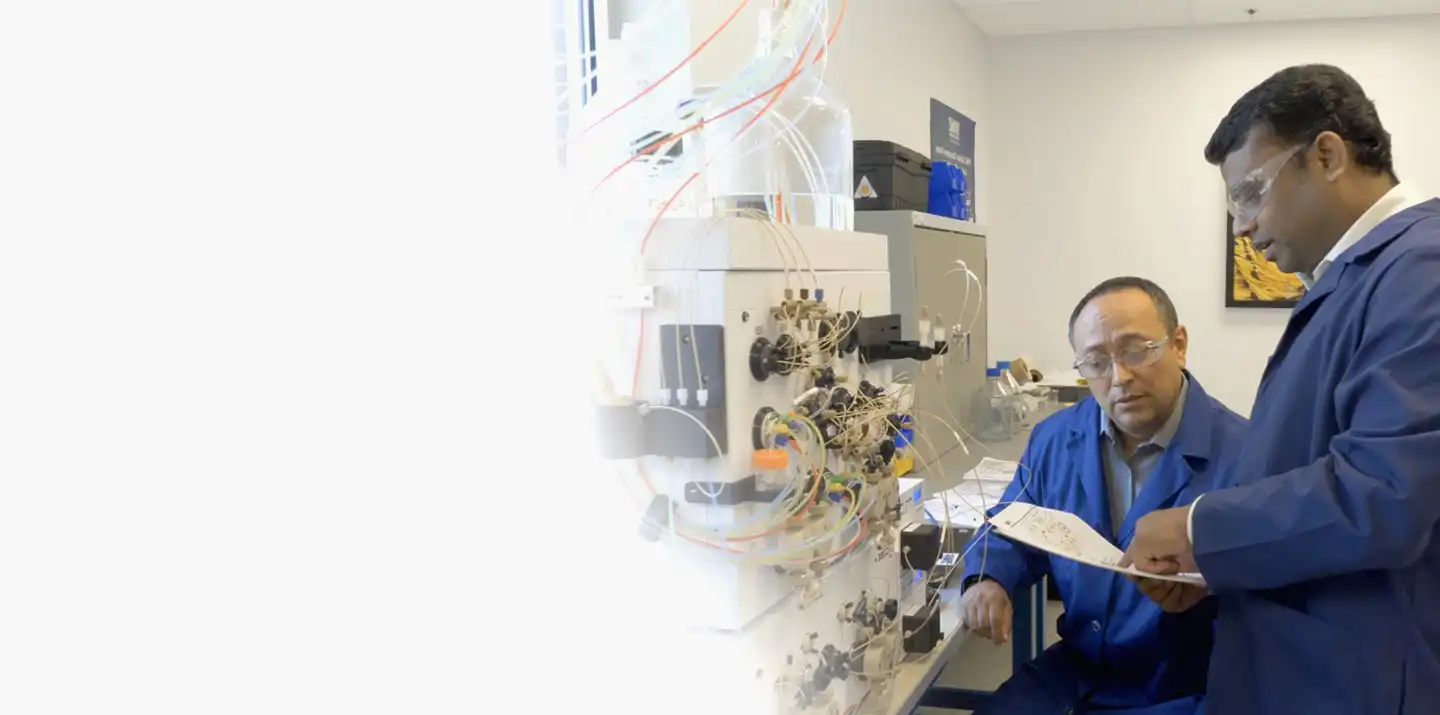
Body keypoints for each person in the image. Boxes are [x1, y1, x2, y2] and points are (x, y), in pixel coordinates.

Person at [1121, 64, 1440, 714]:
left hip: (1355, 680)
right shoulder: (1356, 276)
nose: (1242, 224)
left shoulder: (1419, 269)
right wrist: (1217, 565)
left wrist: (1199, 528)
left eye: (1252, 192)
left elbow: (1382, 494)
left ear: (1327, 154)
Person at [959, 277, 1248, 715]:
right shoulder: (1056, 439)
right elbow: (1013, 522)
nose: (1120, 378)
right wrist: (987, 577)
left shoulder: (1247, 456)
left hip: (1180, 689)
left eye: (1136, 351)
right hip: (1075, 670)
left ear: (1179, 344)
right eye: (1095, 362)